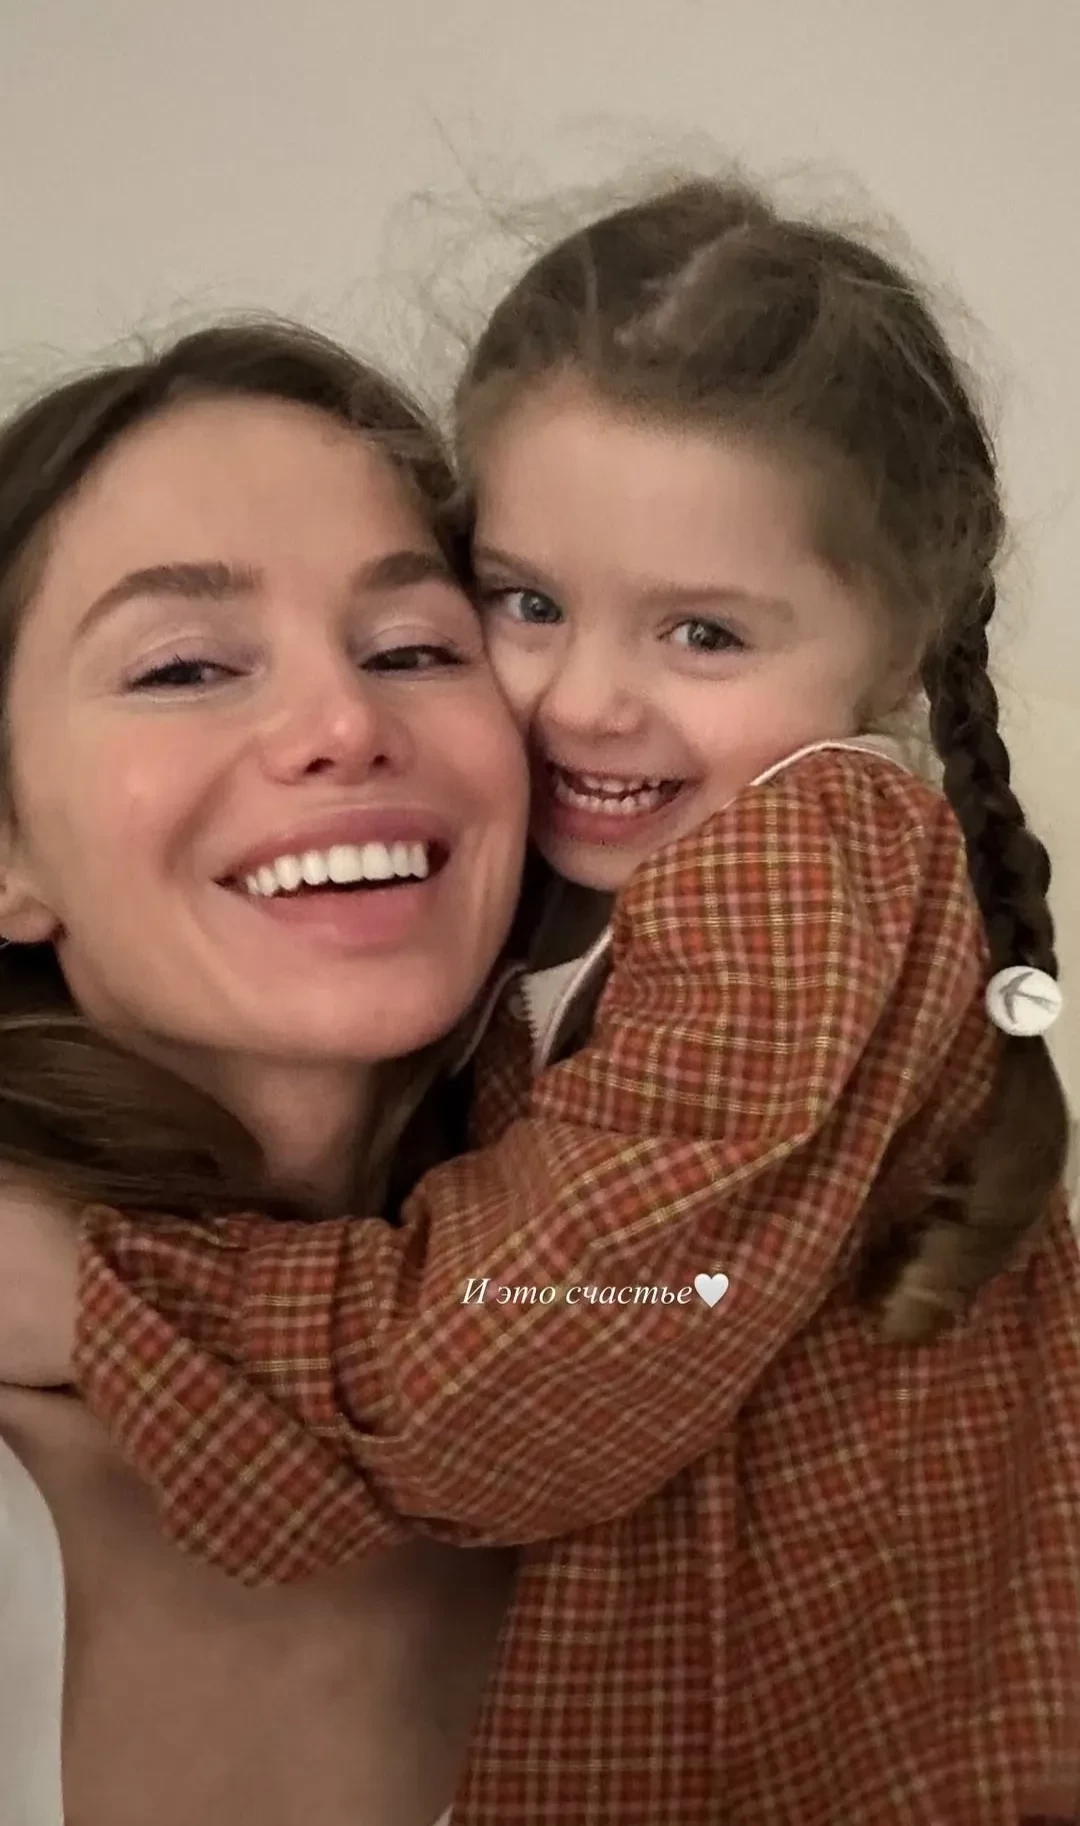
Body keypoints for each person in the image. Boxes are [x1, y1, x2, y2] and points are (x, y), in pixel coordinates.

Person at [5, 177, 1080, 1823]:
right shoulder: (608, 953)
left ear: (895, 649)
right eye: (519, 605)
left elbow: (554, 1336)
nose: (583, 699)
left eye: (407, 643)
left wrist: (103, 1291)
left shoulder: (806, 860)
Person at [0, 319, 531, 1826]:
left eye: (415, 649)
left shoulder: (648, 1336)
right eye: (182, 666)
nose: (346, 724)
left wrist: (117, 1303)